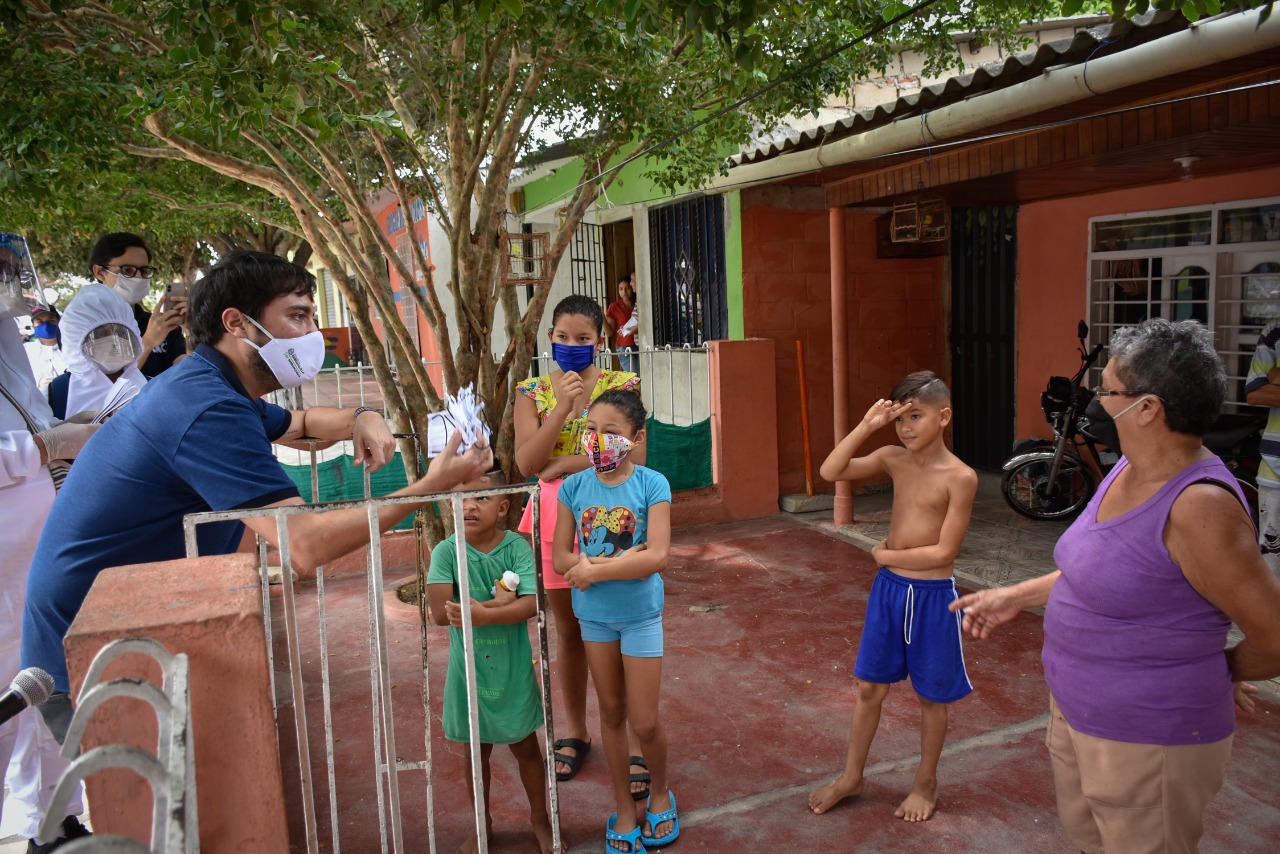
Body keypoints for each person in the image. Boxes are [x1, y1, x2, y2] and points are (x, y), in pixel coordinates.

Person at [21, 250, 492, 751]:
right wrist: (432, 487)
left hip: (127, 625)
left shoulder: (215, 388)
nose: (313, 333)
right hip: (91, 645)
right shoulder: (205, 409)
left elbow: (303, 424)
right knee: (151, 812)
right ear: (236, 323)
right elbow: (304, 544)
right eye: (297, 315)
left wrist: (361, 416)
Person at [953, 318, 1280, 854]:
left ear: (1147, 407)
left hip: (1149, 735)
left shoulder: (1199, 506)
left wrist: (1218, 672)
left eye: (1107, 390)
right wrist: (1016, 595)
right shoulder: (1128, 465)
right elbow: (1107, 570)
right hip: (1081, 712)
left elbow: (1274, 635)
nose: (1096, 401)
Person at [809, 371, 978, 823]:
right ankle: (851, 776)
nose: (905, 429)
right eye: (900, 419)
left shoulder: (960, 476)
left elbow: (945, 551)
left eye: (916, 417)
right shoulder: (892, 457)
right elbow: (831, 471)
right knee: (869, 687)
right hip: (889, 594)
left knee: (931, 697)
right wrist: (868, 426)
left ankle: (926, 782)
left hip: (931, 596)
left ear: (943, 416)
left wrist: (884, 553)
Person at [513, 295, 651, 795]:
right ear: (549, 337)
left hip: (611, 519)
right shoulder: (531, 391)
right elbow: (528, 464)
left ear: (601, 341)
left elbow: (634, 453)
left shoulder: (621, 386)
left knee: (621, 626)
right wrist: (565, 410)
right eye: (562, 337)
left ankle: (636, 740)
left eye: (583, 339)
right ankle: (575, 730)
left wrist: (567, 464)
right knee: (568, 632)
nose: (572, 346)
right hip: (554, 523)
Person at [553, 389, 676, 853]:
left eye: (610, 432)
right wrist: (625, 560)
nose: (597, 440)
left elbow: (658, 556)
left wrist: (594, 568)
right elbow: (562, 554)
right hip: (595, 620)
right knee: (610, 713)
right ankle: (625, 808)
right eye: (590, 430)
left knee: (644, 722)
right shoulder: (574, 487)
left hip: (641, 617)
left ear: (635, 437)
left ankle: (660, 793)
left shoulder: (652, 484)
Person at [0, 258, 96, 852]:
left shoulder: (8, 335)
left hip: (34, 552)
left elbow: (26, 406)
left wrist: (60, 427)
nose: (11, 276)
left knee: (43, 682)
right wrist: (36, 447)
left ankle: (56, 820)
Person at [426, 468, 552, 854]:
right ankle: (483, 823)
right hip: (468, 674)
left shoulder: (516, 547)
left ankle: (541, 819)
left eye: (480, 498)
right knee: (474, 751)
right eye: (461, 497)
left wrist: (484, 614)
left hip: (513, 668)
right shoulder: (447, 551)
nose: (469, 506)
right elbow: (437, 611)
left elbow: (532, 603)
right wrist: (492, 608)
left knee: (526, 748)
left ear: (503, 507)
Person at [85, 232, 186, 379]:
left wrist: (194, 330)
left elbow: (186, 372)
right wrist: (147, 343)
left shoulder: (161, 325)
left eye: (144, 271)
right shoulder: (84, 327)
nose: (138, 277)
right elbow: (105, 388)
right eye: (127, 270)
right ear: (100, 272)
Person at [57, 283, 148, 419]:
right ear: (74, 341)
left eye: (120, 332)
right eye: (100, 334)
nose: (113, 340)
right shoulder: (56, 394)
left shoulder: (151, 387)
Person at [1245, 319, 1280, 576]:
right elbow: (1255, 393)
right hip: (1275, 472)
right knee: (1271, 565)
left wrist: (1277, 375)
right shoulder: (1275, 330)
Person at [23, 306, 66, 395]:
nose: (46, 325)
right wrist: (39, 382)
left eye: (51, 321)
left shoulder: (72, 347)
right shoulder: (26, 351)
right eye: (40, 322)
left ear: (59, 323)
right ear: (33, 326)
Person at [604, 273, 639, 373]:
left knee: (644, 377)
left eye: (627, 288)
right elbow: (609, 332)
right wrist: (601, 317)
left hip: (641, 345)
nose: (624, 292)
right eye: (621, 289)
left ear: (632, 287)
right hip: (624, 348)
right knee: (634, 378)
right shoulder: (614, 307)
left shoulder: (638, 303)